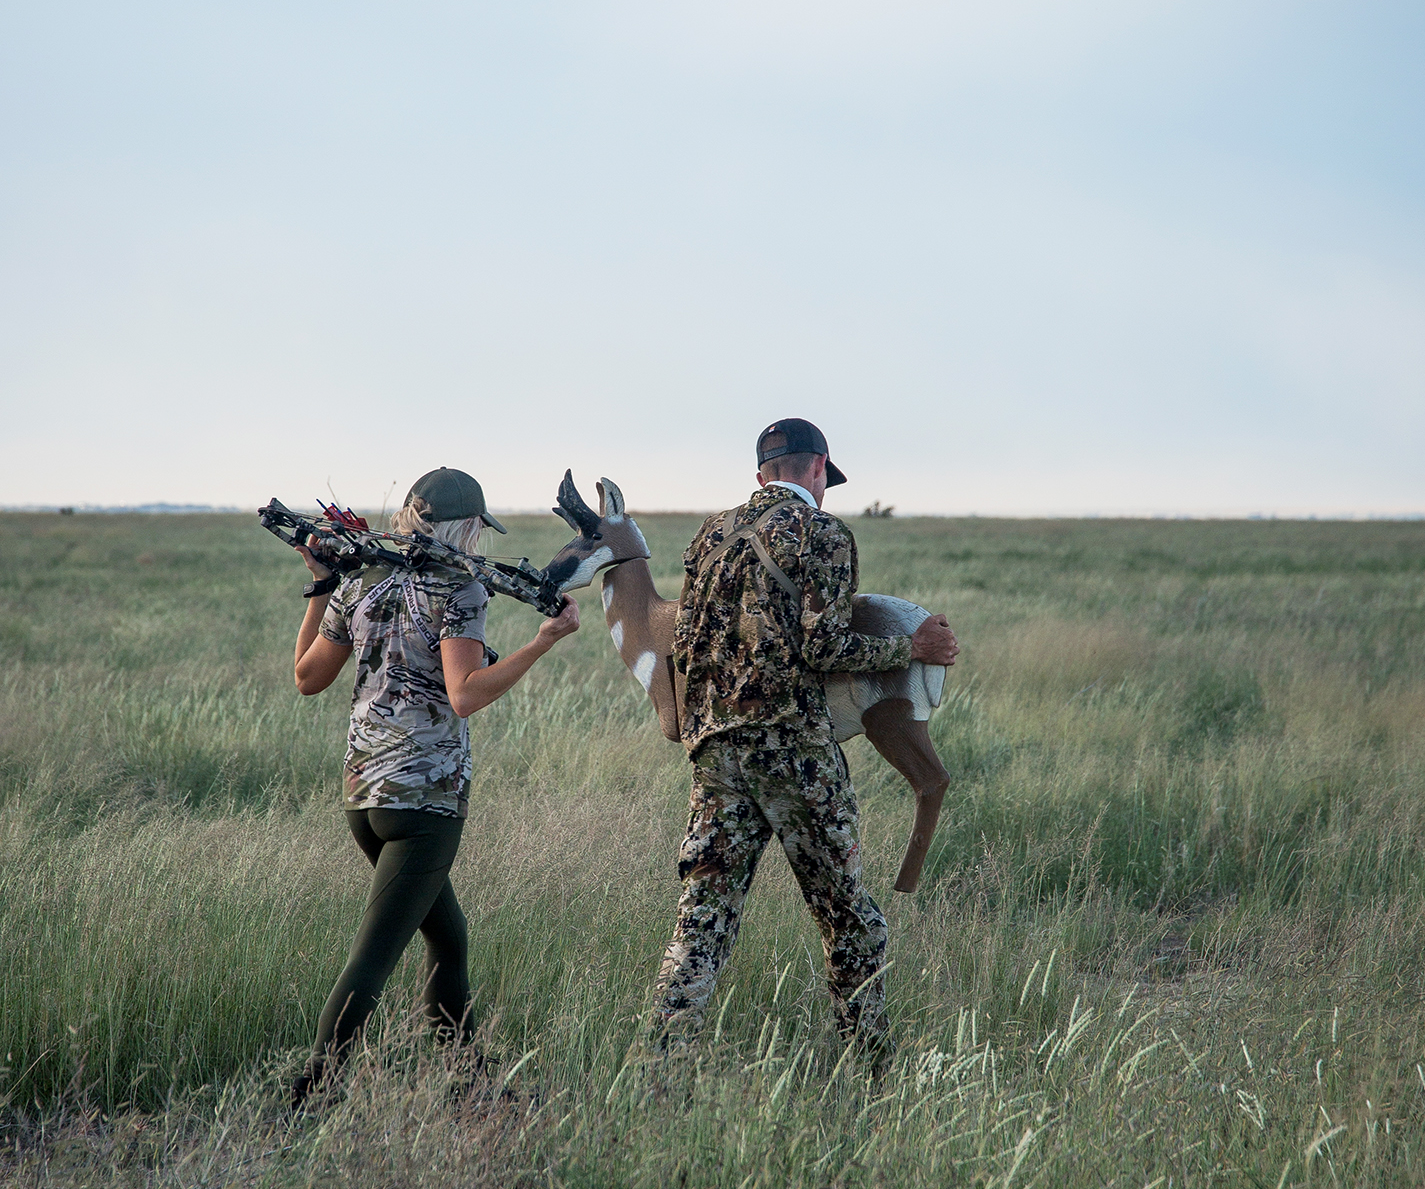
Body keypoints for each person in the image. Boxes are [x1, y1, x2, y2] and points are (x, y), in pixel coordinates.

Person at [648, 418, 959, 1066]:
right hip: (790, 748)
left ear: (761, 476)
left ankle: (657, 1072)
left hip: (713, 750)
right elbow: (822, 646)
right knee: (851, 921)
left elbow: (682, 644)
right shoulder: (821, 532)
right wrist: (911, 647)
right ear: (818, 468)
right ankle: (873, 1072)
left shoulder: (708, 536)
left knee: (702, 921)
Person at [289, 465, 579, 1099]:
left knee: (448, 938)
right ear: (469, 528)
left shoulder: (361, 586)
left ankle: (470, 1085)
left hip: (364, 796)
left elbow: (307, 678)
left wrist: (320, 586)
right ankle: (308, 1093)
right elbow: (466, 694)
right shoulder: (460, 592)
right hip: (425, 800)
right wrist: (542, 642)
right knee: (376, 956)